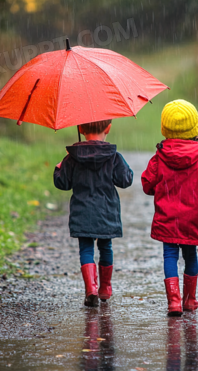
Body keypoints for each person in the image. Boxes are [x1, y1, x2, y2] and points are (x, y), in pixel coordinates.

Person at [141, 100, 198, 316]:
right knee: (190, 255)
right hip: (194, 219)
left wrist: (160, 192)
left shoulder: (159, 157)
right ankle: (189, 300)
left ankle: (173, 303)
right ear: (195, 128)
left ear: (165, 128)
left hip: (168, 219)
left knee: (169, 256)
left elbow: (147, 184)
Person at [53, 119, 133, 307]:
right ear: (108, 128)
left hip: (83, 212)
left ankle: (91, 289)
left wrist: (59, 167)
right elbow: (125, 180)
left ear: (80, 128)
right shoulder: (114, 156)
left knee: (86, 249)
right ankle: (105, 287)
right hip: (107, 211)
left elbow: (62, 183)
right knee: (106, 248)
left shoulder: (72, 157)